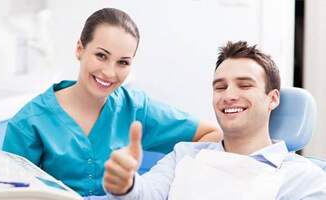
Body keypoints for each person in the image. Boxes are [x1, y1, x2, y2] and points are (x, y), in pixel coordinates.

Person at [1, 8, 222, 197]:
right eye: (101, 56)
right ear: (80, 49)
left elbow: (211, 135)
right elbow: (8, 194)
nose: (109, 72)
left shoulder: (136, 109)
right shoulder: (29, 123)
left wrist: (160, 180)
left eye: (122, 62)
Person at [103, 41, 326, 199]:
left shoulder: (304, 179)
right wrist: (125, 184)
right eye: (220, 87)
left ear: (273, 98)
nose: (228, 96)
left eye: (245, 85)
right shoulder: (183, 156)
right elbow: (145, 193)